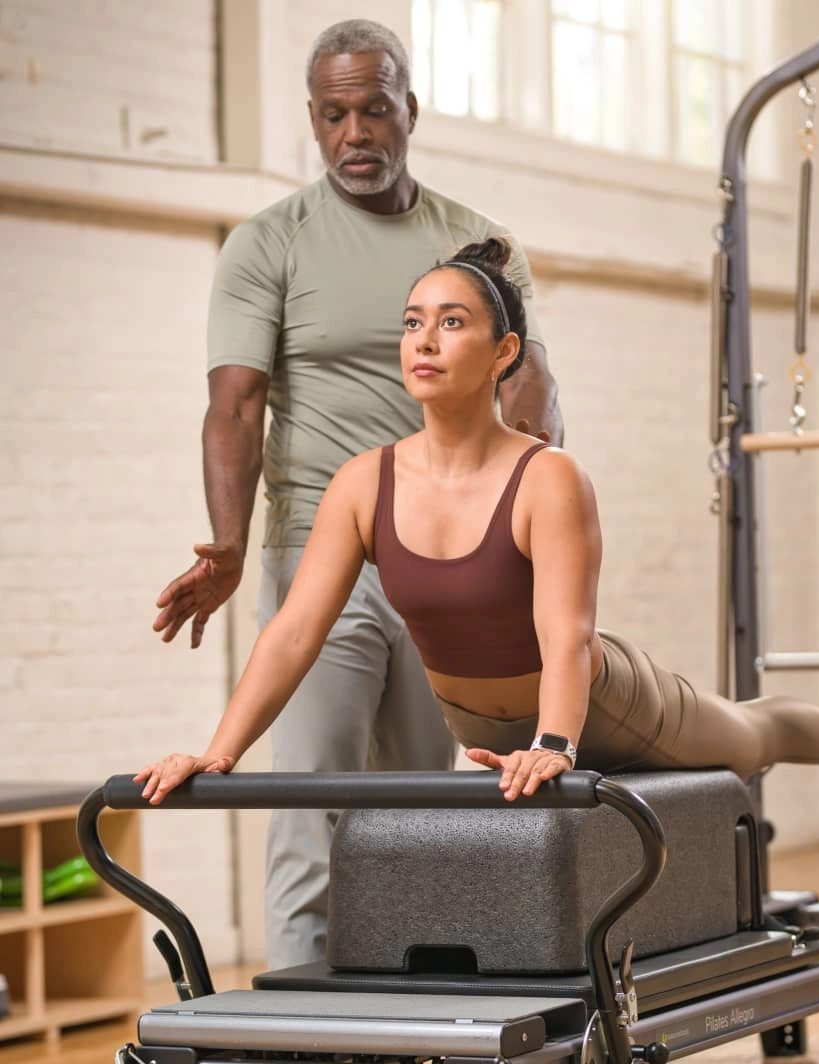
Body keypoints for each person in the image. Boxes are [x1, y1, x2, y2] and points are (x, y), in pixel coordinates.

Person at [137, 238, 819, 834]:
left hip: (607, 703)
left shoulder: (546, 478)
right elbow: (294, 631)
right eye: (414, 323)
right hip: (485, 730)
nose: (425, 340)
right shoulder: (361, 483)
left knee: (750, 737)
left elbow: (567, 634)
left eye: (453, 323)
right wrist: (219, 752)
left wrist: (555, 740)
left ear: (503, 352)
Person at [149, 20, 562, 970]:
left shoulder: (479, 246)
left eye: (374, 108)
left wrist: (528, 524)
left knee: (423, 813)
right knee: (309, 815)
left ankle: (408, 1017)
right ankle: (303, 1027)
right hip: (317, 555)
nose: (356, 132)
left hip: (448, 561)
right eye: (334, 115)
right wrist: (227, 544)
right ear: (312, 120)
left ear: (409, 110)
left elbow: (530, 386)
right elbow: (234, 403)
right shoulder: (270, 243)